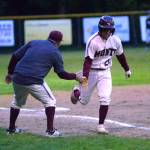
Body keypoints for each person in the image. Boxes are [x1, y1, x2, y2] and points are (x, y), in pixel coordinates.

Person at [5, 30, 85, 137]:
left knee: (17, 102)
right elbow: (61, 74)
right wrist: (75, 76)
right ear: (59, 42)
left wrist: (10, 73)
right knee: (50, 101)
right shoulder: (55, 52)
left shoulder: (33, 43)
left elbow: (15, 56)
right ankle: (50, 131)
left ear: (49, 38)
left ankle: (11, 130)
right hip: (34, 80)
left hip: (17, 77)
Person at [71, 16, 131, 134]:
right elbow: (88, 62)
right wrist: (84, 79)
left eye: (110, 29)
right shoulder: (93, 41)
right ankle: (76, 90)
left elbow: (120, 55)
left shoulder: (115, 40)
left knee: (105, 98)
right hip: (91, 72)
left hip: (105, 72)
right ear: (100, 29)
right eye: (105, 29)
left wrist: (127, 69)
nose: (108, 32)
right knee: (83, 101)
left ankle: (101, 125)